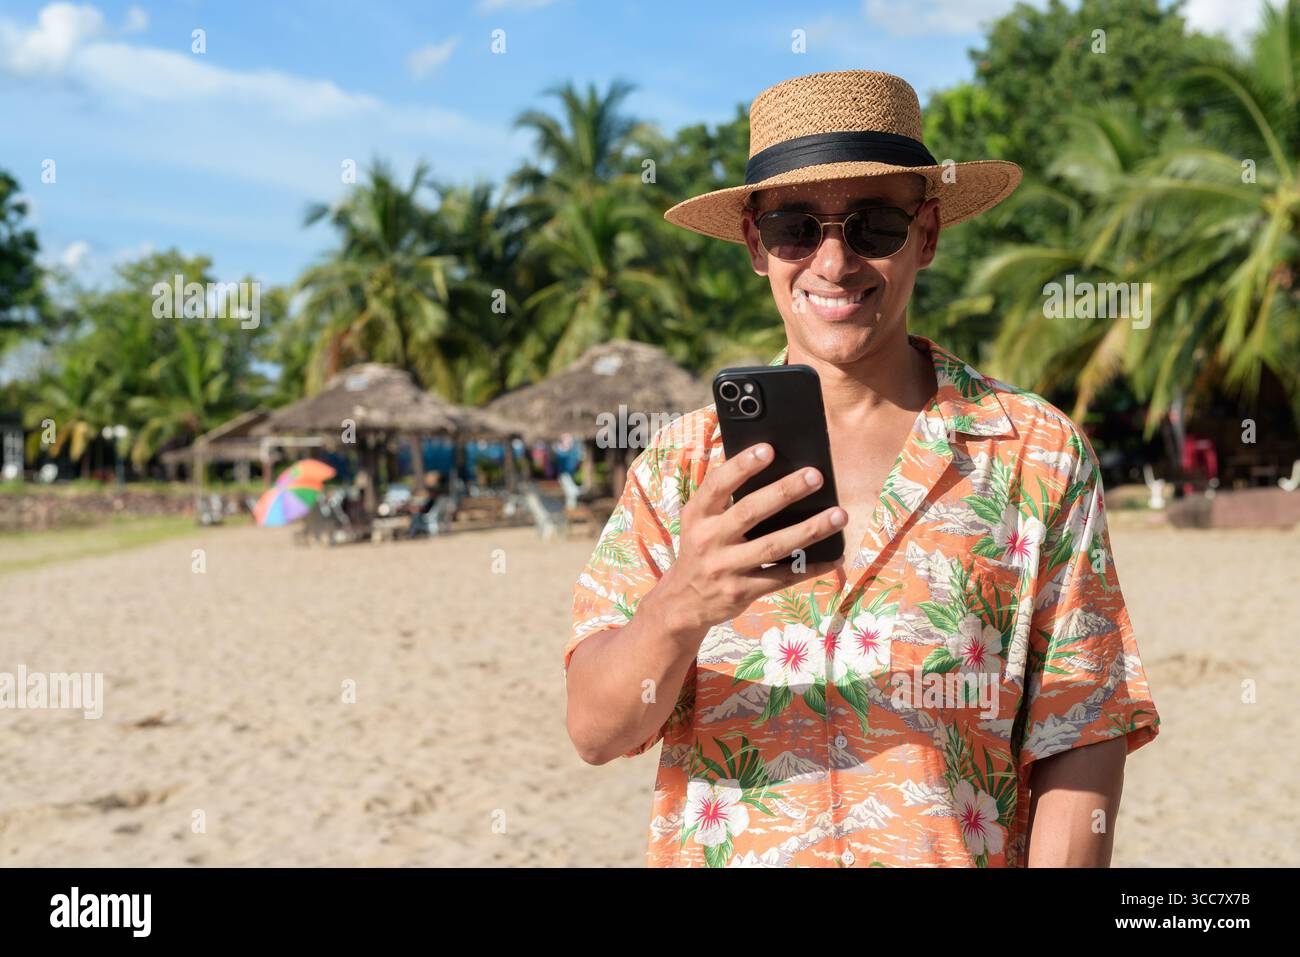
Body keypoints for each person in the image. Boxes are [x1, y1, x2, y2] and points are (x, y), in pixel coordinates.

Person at [564, 71, 1160, 868]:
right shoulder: (678, 469)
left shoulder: (1036, 455)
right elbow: (598, 731)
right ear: (755, 244)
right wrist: (679, 605)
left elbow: (1081, 727)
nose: (834, 261)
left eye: (874, 223)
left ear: (928, 233)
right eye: (796, 228)